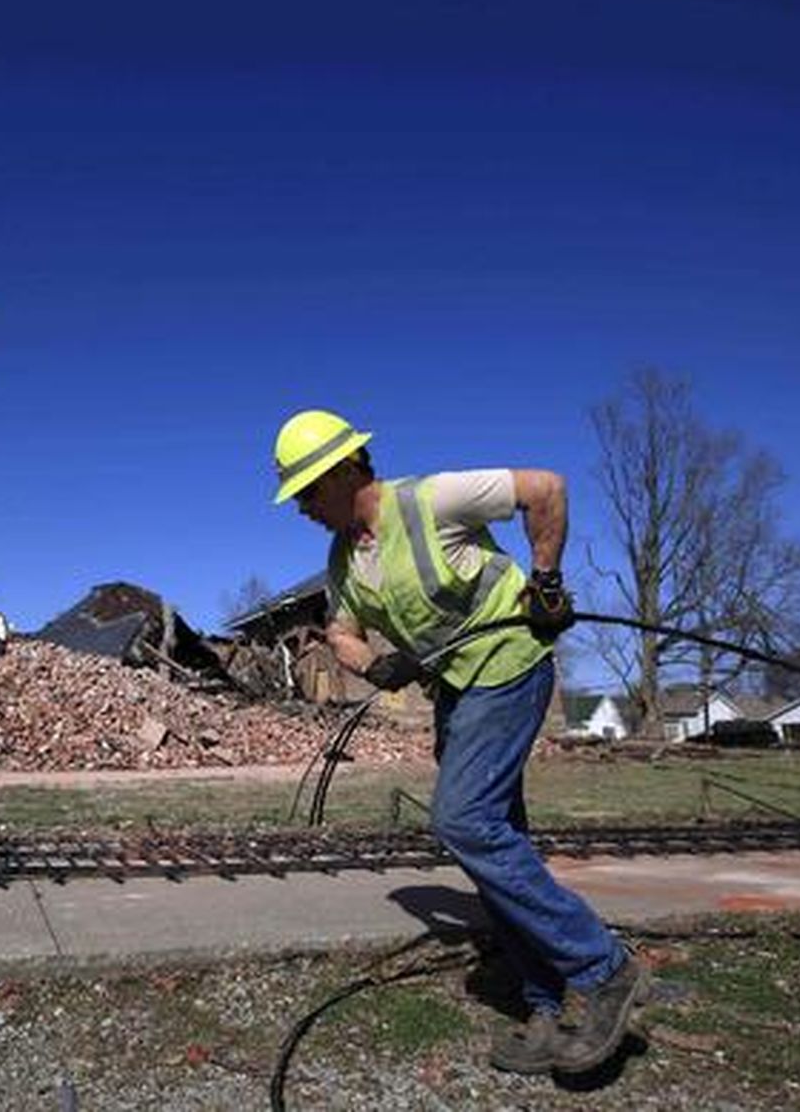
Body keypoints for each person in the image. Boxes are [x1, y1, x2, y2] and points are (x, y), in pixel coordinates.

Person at [272, 408, 644, 1075]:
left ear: (344, 470)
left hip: (509, 661)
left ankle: (602, 967)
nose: (300, 507)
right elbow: (344, 631)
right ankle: (545, 1001)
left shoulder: (430, 500)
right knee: (499, 840)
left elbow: (545, 488)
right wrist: (376, 665)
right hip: (456, 691)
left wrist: (546, 581)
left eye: (305, 490)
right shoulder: (343, 559)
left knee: (462, 820)